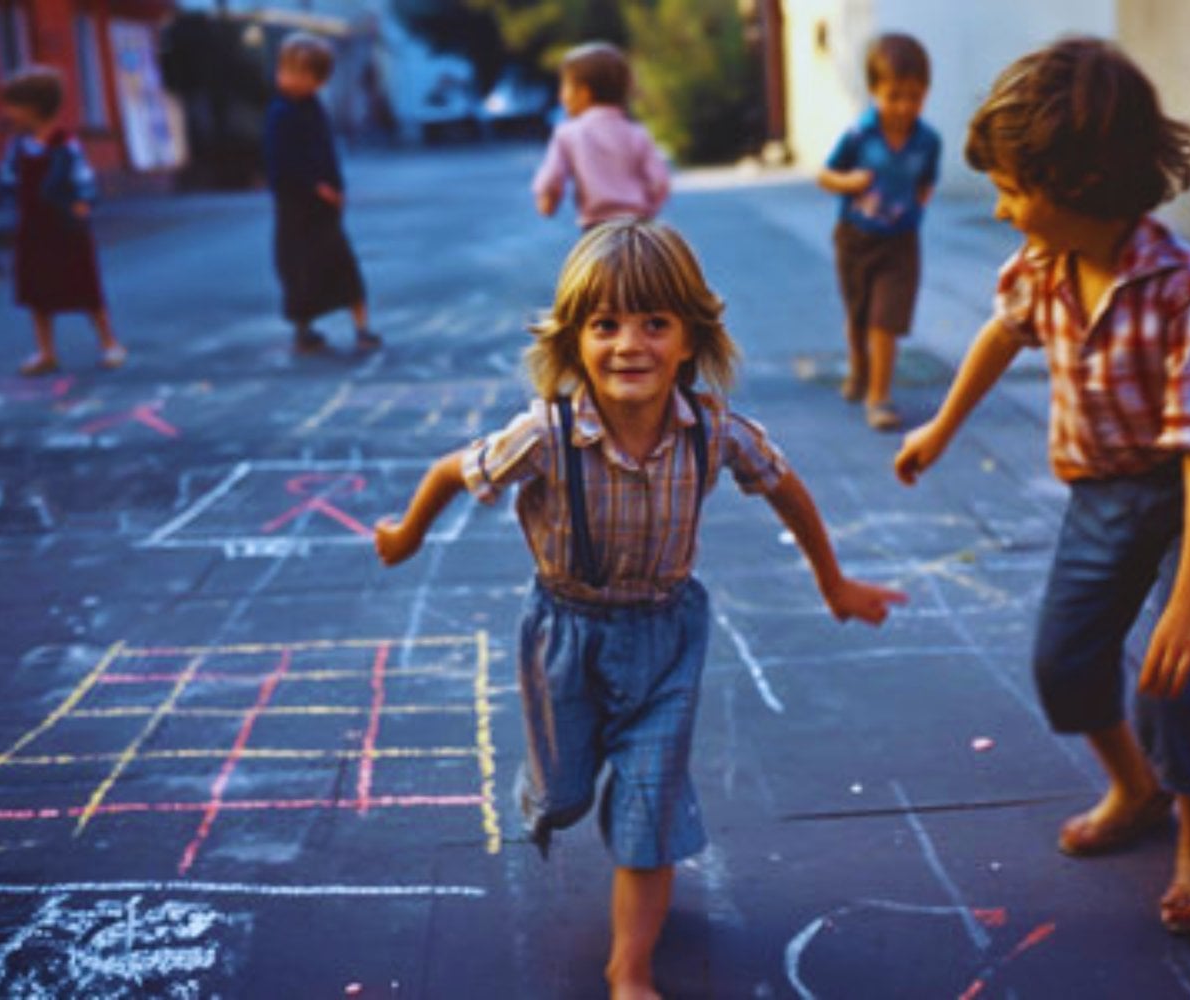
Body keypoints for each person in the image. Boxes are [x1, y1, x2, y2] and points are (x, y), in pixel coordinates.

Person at [376, 219, 904, 997]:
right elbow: (455, 470)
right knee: (563, 794)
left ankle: (630, 966)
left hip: (666, 635)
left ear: (690, 339)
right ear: (573, 342)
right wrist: (407, 533)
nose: (631, 345)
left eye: (655, 323)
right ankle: (556, 787)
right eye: (606, 325)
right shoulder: (546, 435)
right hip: (565, 632)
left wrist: (833, 580)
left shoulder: (713, 429)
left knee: (649, 805)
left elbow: (784, 485)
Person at [893, 37, 1190, 935]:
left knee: (1176, 680)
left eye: (1015, 190)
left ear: (1086, 184)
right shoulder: (1040, 265)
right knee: (1064, 661)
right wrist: (942, 425)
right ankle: (1136, 789)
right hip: (1106, 484)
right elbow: (1001, 333)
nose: (999, 208)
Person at [818, 32, 941, 431]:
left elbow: (926, 181)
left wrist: (916, 206)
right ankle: (859, 368)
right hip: (856, 238)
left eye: (915, 96)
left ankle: (879, 396)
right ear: (874, 91)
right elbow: (825, 174)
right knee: (858, 316)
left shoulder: (928, 140)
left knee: (884, 319)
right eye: (894, 96)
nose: (905, 106)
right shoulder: (860, 134)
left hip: (901, 242)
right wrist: (850, 181)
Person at [0, 66, 126, 376]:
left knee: (82, 284)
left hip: (64, 226)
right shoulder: (18, 146)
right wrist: (6, 200)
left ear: (34, 107)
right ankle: (46, 351)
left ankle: (109, 342)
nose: (7, 112)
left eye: (13, 105)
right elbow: (8, 178)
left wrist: (82, 201)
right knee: (37, 289)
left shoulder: (64, 144)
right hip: (33, 227)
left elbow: (82, 176)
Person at [264, 32, 379, 354]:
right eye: (286, 71)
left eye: (301, 74)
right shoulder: (281, 113)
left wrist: (336, 187)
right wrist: (316, 187)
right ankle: (303, 330)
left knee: (343, 267)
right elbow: (281, 164)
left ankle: (362, 327)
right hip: (297, 209)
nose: (288, 79)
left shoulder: (313, 107)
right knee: (299, 273)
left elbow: (326, 151)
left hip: (324, 210)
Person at [532, 42, 670, 229]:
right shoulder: (636, 133)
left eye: (564, 86)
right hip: (638, 226)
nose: (561, 96)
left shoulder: (568, 133)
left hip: (596, 230)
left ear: (584, 93)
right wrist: (648, 210)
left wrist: (547, 203)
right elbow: (659, 182)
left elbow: (551, 181)